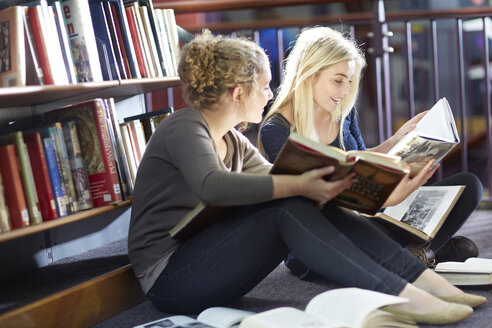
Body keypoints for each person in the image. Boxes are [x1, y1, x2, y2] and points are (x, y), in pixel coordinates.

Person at [128, 31, 482, 324]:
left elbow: (296, 185)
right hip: (170, 281)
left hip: (214, 268)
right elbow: (213, 186)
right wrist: (299, 184)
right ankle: (402, 295)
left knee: (297, 198)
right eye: (265, 87)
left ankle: (421, 280)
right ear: (238, 93)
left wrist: (381, 197)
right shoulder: (184, 126)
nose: (270, 96)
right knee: (287, 203)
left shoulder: (234, 142)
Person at [258, 26, 483, 278]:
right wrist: (387, 200)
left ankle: (407, 258)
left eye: (350, 81)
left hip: (369, 216)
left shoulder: (342, 110)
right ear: (309, 74)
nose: (345, 92)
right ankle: (418, 256)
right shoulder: (276, 130)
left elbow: (362, 159)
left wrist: (398, 142)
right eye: (338, 80)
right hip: (324, 233)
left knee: (469, 186)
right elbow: (315, 205)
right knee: (357, 228)